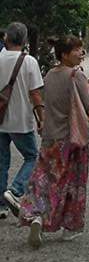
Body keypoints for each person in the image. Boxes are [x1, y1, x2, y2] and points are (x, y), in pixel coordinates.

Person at [19, 35, 89, 248]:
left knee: (44, 179)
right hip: (73, 138)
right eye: (77, 50)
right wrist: (87, 87)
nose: (80, 53)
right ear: (64, 54)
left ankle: (37, 216)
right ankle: (69, 226)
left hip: (51, 136)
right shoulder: (75, 76)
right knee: (73, 181)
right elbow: (87, 105)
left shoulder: (50, 74)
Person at [0, 22, 44, 220]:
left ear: (6, 38)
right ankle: (15, 190)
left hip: (0, 120)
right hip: (21, 119)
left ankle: (1, 205)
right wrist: (41, 118)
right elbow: (35, 93)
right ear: (25, 40)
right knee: (32, 156)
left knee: (1, 162)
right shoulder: (29, 62)